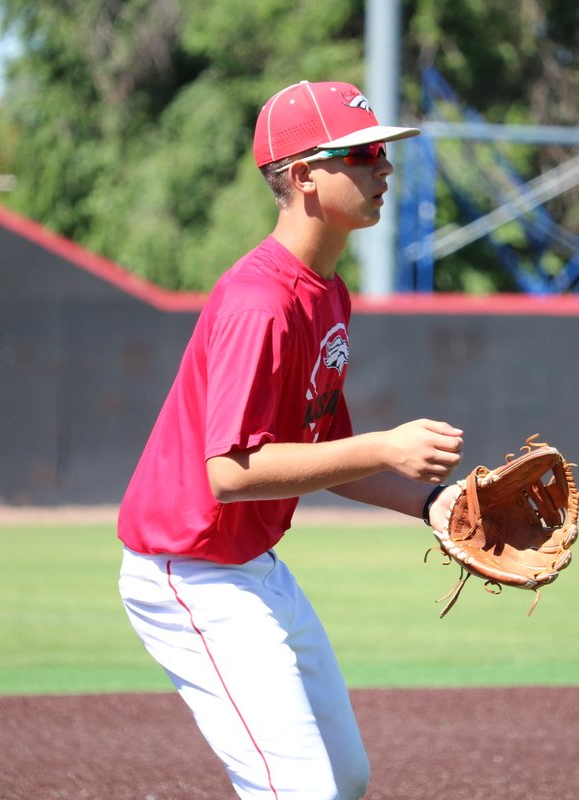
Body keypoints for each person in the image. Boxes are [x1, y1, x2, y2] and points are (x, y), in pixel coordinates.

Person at [116, 80, 465, 800]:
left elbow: (322, 455)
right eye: (363, 153)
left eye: (383, 152)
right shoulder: (260, 300)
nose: (382, 168)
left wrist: (430, 503)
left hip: (251, 567)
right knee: (301, 792)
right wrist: (384, 446)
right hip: (189, 573)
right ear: (303, 175)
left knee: (344, 777)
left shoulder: (326, 290)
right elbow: (232, 472)